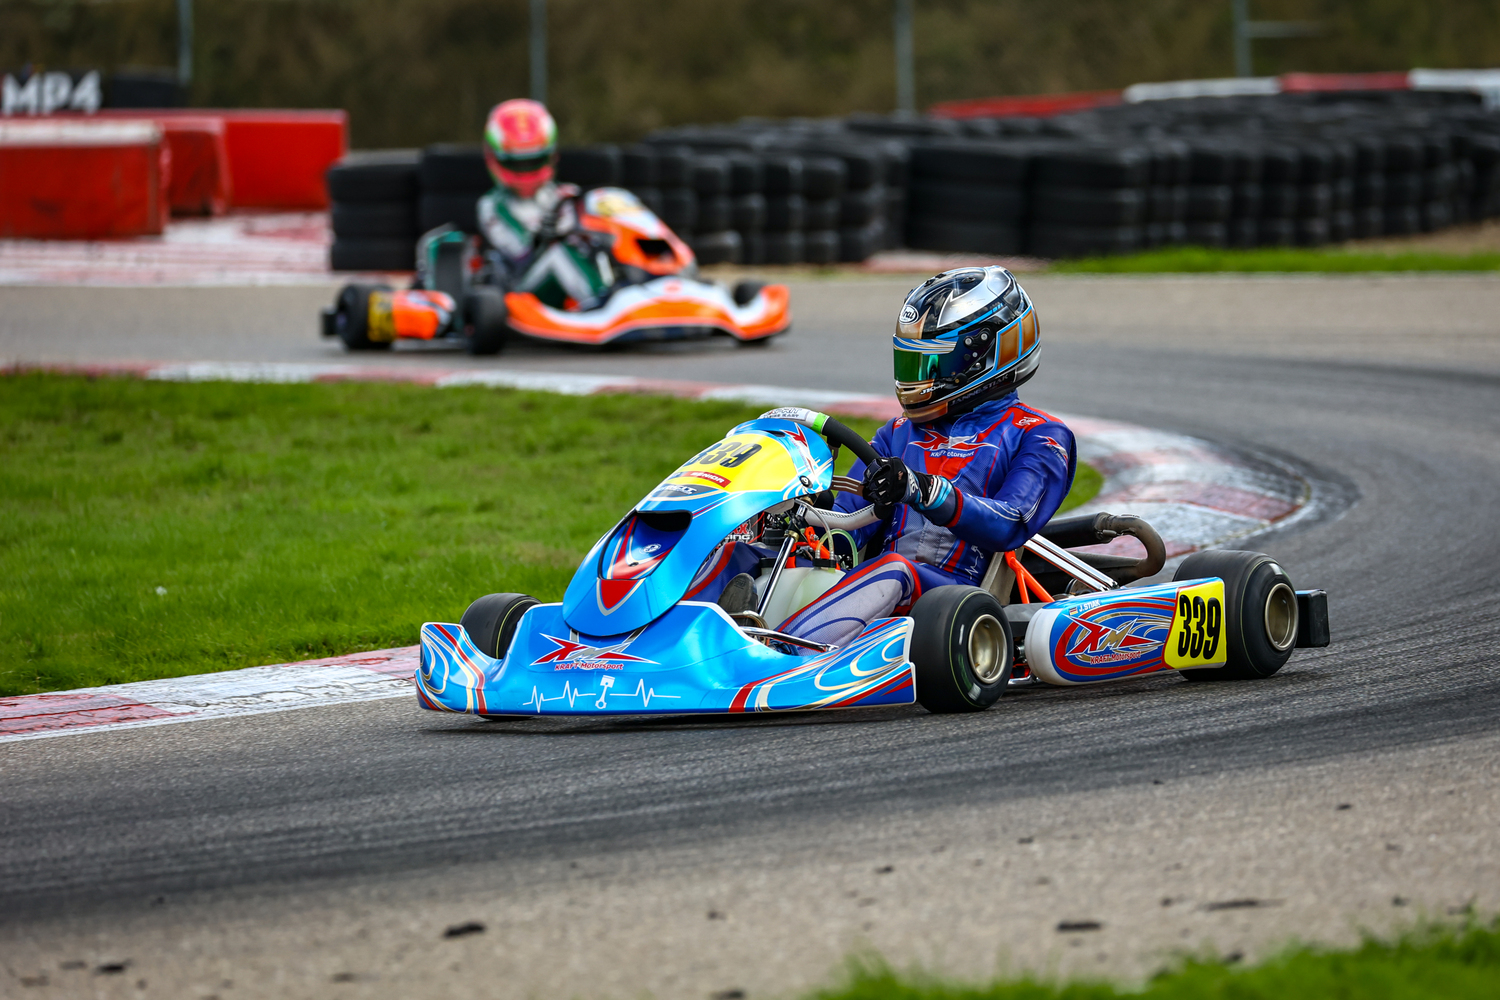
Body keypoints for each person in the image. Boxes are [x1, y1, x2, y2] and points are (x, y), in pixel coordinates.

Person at [691, 266, 1077, 648]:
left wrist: (925, 492)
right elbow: (845, 532)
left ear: (984, 356)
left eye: (930, 363)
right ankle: (667, 642)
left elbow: (1012, 522)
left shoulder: (1040, 435)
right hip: (873, 586)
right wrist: (803, 515)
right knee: (739, 553)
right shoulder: (897, 434)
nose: (916, 379)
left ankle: (780, 653)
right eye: (910, 362)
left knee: (893, 570)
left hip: (956, 598)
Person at [421, 98, 605, 309]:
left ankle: (630, 293)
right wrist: (554, 233)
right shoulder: (492, 206)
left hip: (567, 284)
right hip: (518, 290)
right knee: (558, 253)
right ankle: (601, 304)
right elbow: (520, 253)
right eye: (516, 163)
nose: (526, 170)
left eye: (535, 161)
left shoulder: (567, 194)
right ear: (494, 157)